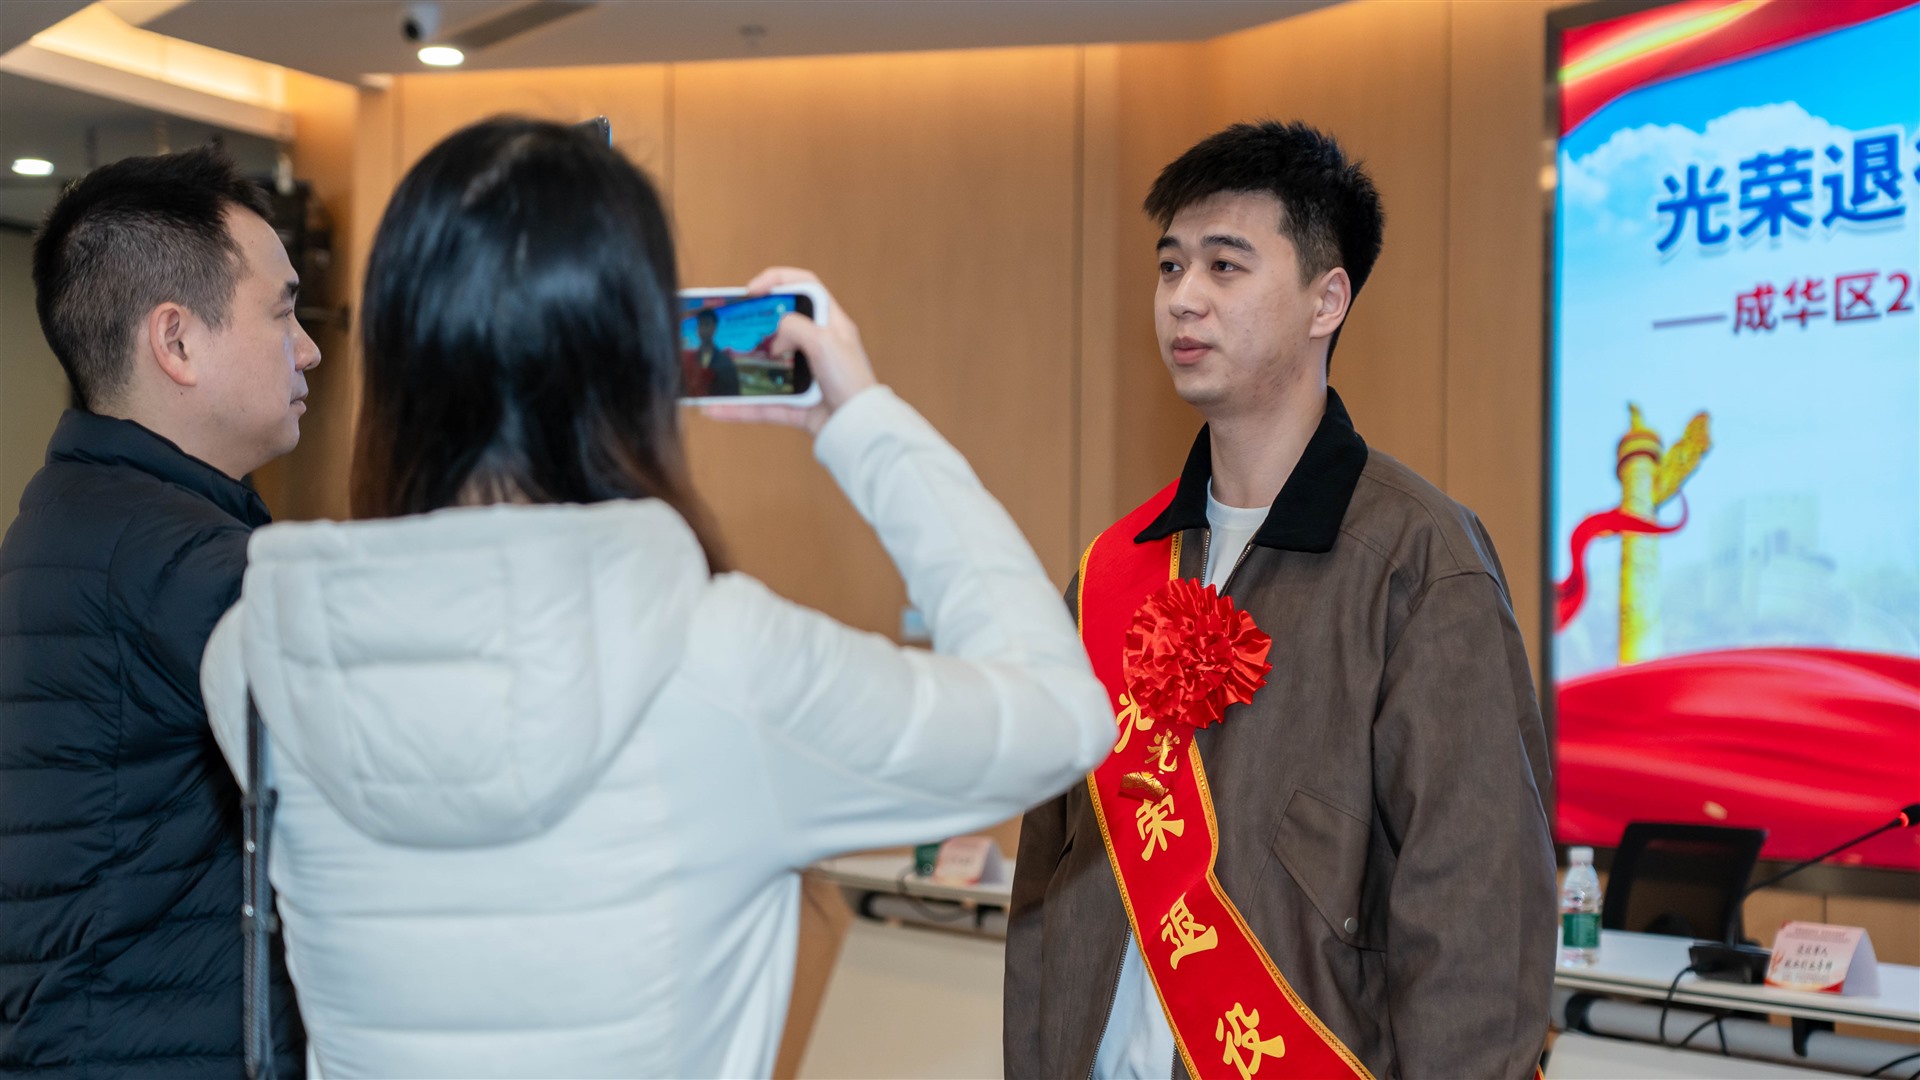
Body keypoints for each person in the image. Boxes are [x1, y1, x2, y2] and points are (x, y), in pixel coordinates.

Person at [195, 117, 1113, 1078]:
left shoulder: (251, 657)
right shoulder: (727, 662)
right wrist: (866, 424)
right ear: (638, 363)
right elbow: (1060, 716)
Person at [1003, 120, 1555, 1080]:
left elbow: (1477, 917)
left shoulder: (1419, 562)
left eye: (1225, 266)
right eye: (1170, 265)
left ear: (1325, 300)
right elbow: (1046, 881)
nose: (1184, 297)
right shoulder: (1112, 571)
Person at [0, 148, 316, 1075]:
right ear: (175, 342)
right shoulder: (175, 559)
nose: (308, 347)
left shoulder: (79, 513)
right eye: (283, 311)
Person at [693, 305, 742, 396]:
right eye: (700, 325)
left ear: (714, 327)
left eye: (707, 324)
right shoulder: (690, 360)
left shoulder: (726, 362)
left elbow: (734, 395)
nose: (703, 329)